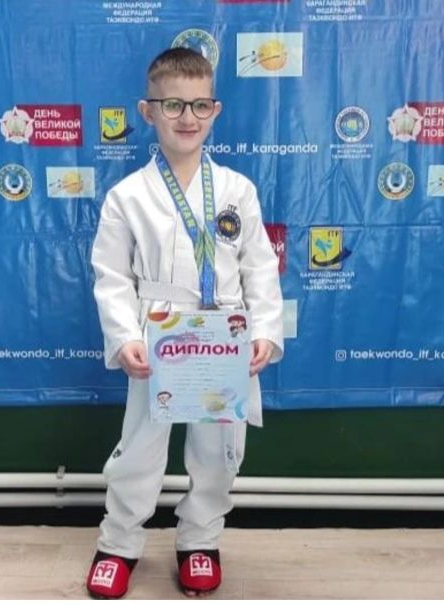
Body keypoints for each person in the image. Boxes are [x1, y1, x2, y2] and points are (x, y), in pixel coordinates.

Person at [87, 47, 284, 599]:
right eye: (173, 105)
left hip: (225, 336)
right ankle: (118, 542)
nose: (187, 117)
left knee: (220, 451)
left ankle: (200, 538)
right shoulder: (127, 196)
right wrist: (125, 338)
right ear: (148, 111)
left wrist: (264, 332)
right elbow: (111, 276)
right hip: (159, 337)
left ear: (215, 109)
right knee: (139, 448)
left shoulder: (237, 190)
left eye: (199, 105)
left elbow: (260, 267)